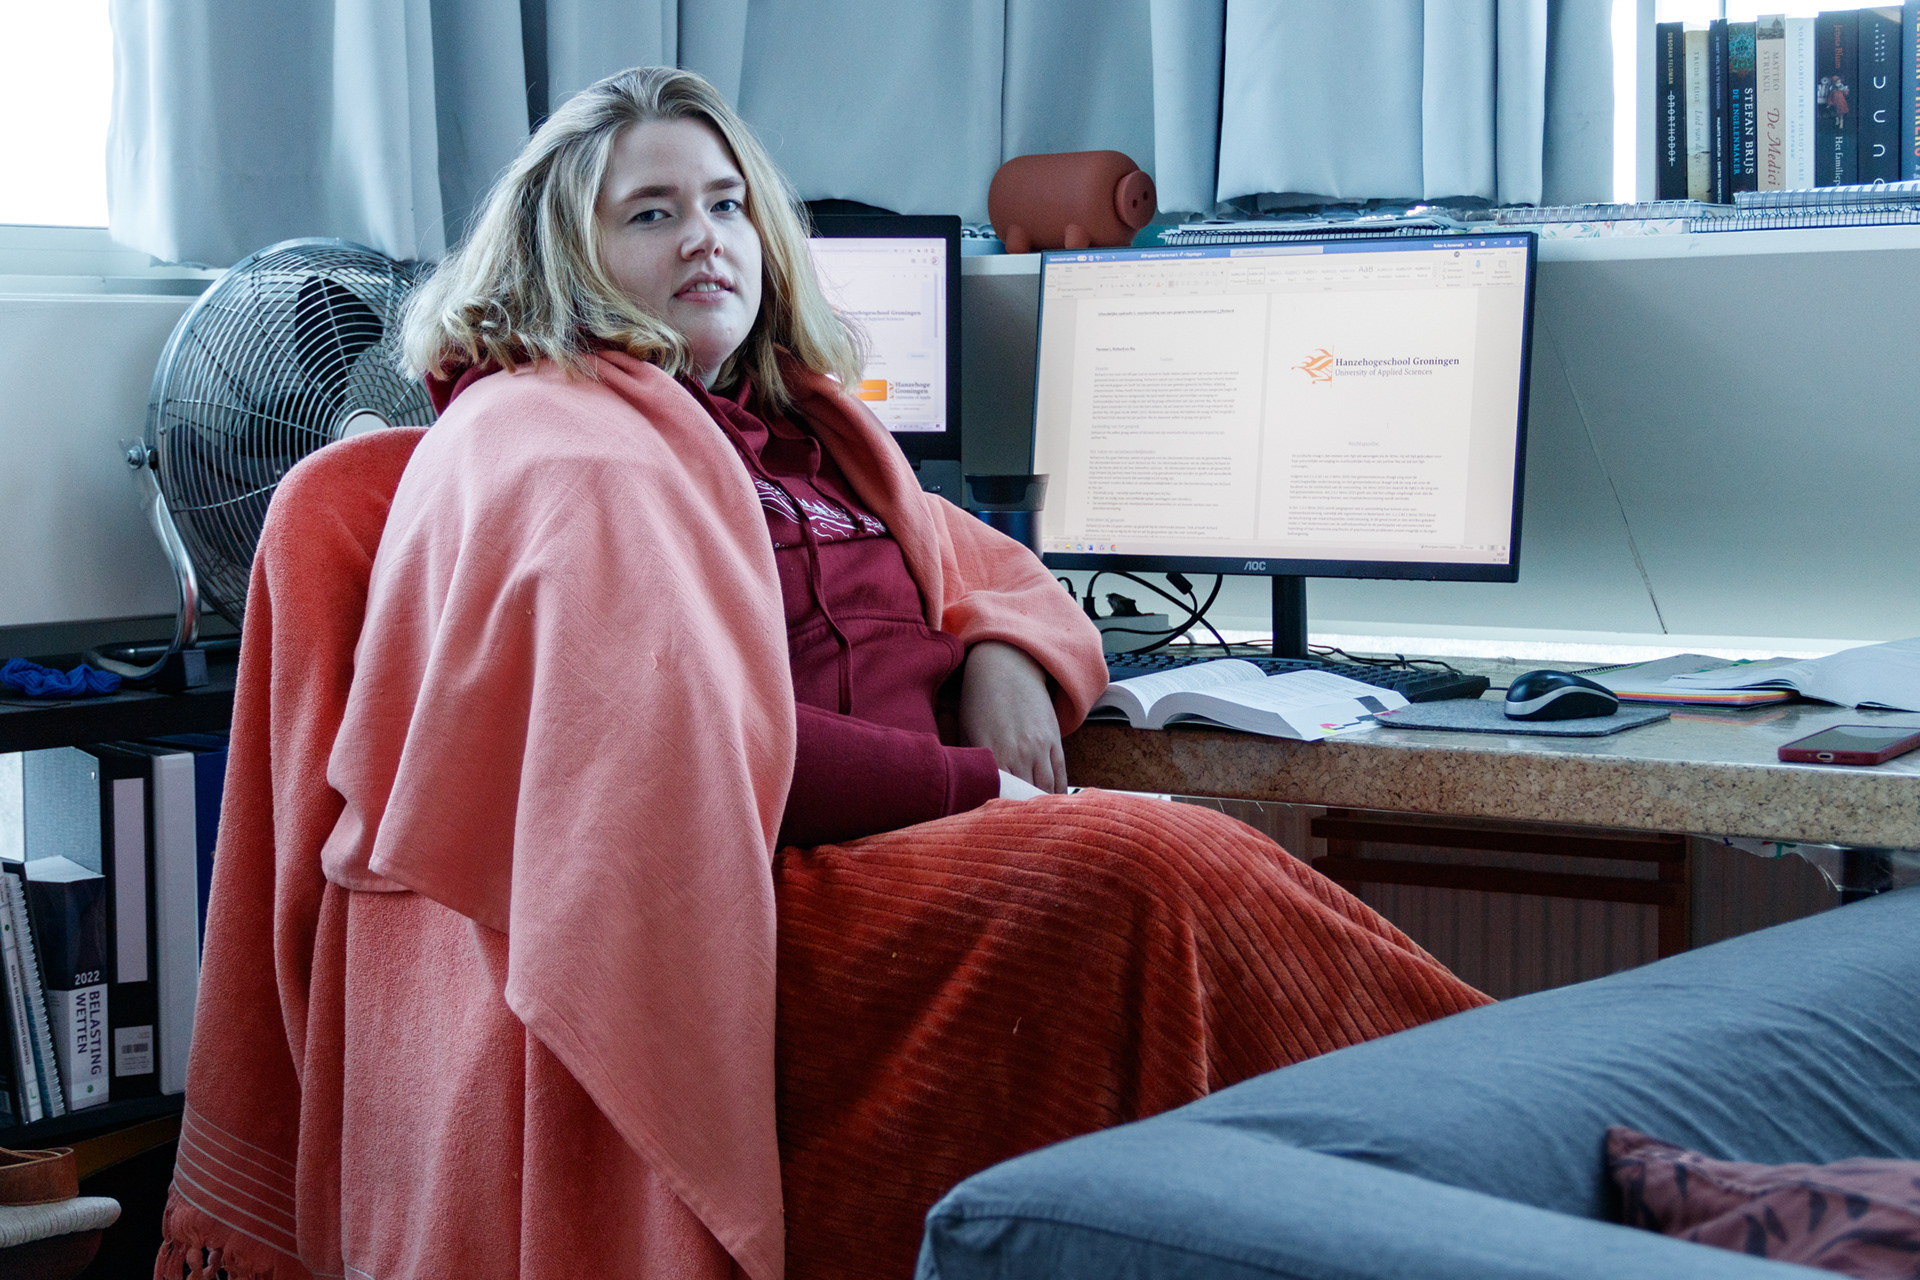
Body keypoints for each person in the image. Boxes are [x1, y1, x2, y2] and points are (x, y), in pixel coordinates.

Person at [158, 66, 1489, 1280]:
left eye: (727, 203)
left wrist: (998, 647)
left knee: (1165, 891)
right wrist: (984, 789)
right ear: (565, 254)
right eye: (652, 214)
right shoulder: (553, 440)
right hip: (755, 905)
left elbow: (986, 565)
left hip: (893, 864)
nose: (706, 238)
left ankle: (1508, 1131)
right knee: (1145, 866)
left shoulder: (798, 430)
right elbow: (677, 749)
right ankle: (1515, 1156)